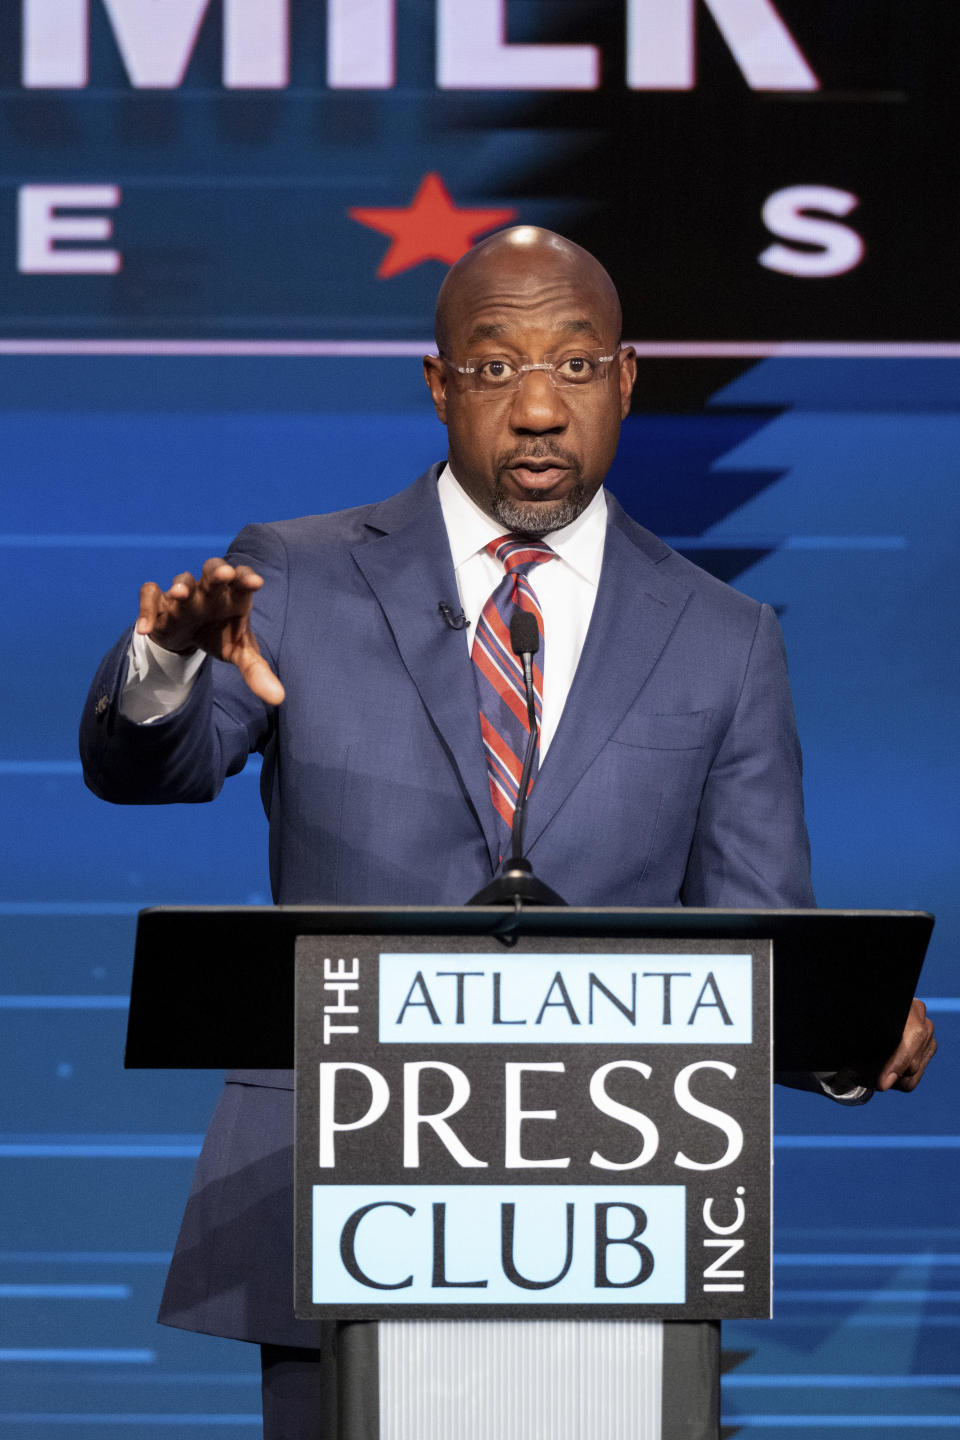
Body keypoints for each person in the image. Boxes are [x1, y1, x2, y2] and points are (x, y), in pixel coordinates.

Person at [80, 226, 936, 1438]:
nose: (538, 406)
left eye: (576, 367)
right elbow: (149, 770)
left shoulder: (722, 636)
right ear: (439, 387)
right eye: (495, 368)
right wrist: (164, 665)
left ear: (627, 380)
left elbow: (758, 938)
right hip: (344, 1208)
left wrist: (847, 1028)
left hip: (613, 1216)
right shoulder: (300, 580)